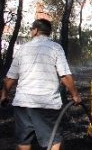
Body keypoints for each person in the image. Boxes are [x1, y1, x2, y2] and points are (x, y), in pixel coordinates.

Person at [0, 19, 81, 150]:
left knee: (23, 142)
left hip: (23, 105)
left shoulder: (22, 49)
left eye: (31, 29)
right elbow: (64, 75)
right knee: (54, 141)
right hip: (46, 103)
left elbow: (10, 78)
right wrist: (75, 95)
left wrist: (4, 95)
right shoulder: (55, 48)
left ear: (36, 30)